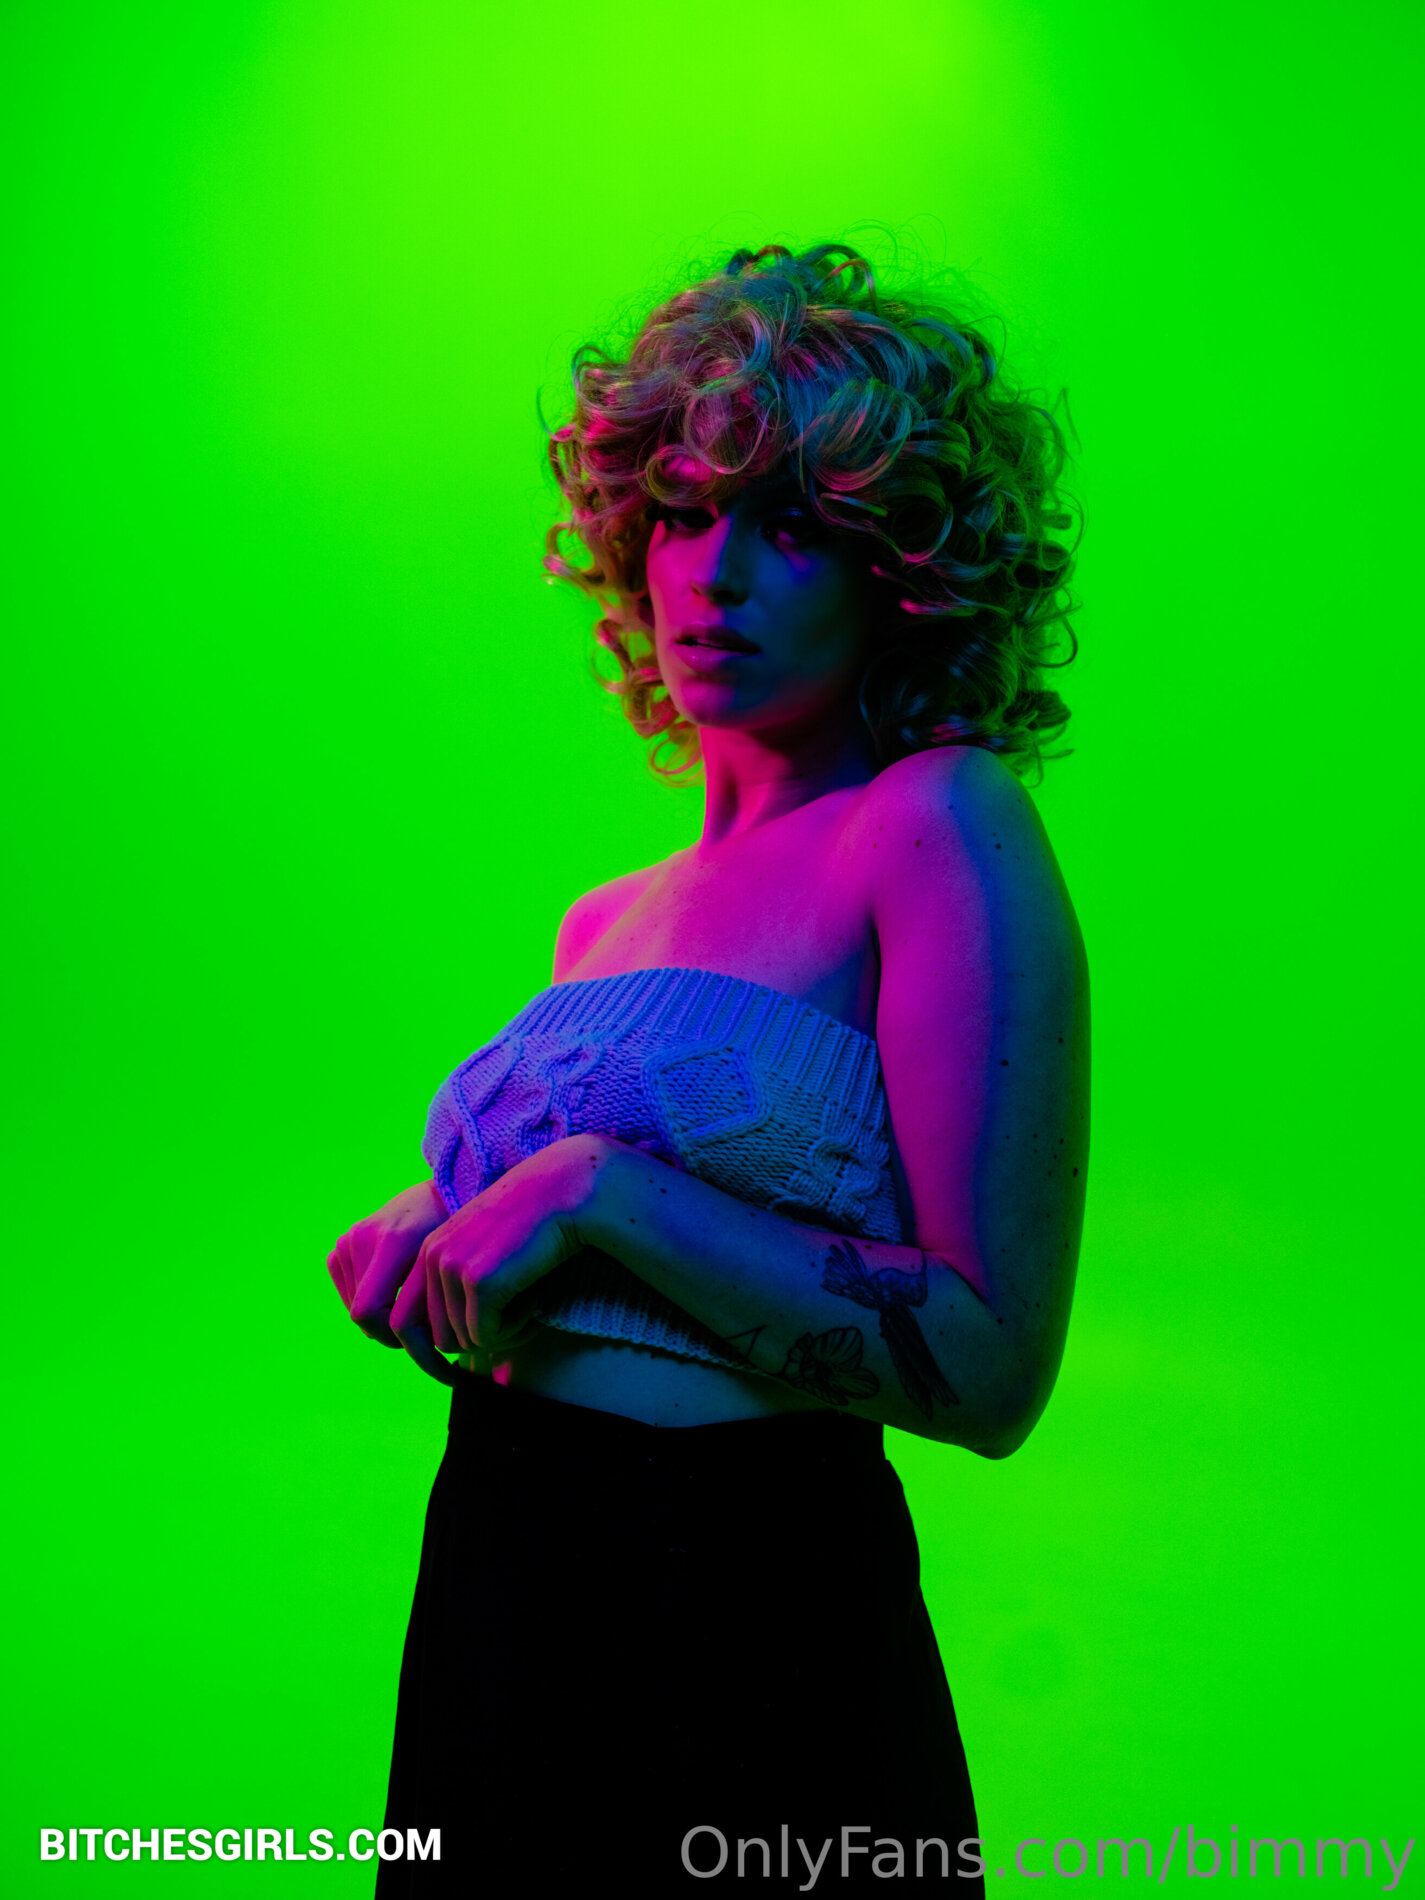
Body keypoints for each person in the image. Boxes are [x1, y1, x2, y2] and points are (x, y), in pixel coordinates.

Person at [326, 242, 1088, 1894]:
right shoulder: (601, 920)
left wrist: (593, 1191)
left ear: (902, 566)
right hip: (501, 1557)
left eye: (791, 523)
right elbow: (619, 1242)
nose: (714, 574)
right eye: (679, 510)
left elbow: (986, 1366)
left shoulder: (934, 823)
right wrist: (437, 1228)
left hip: (743, 1598)